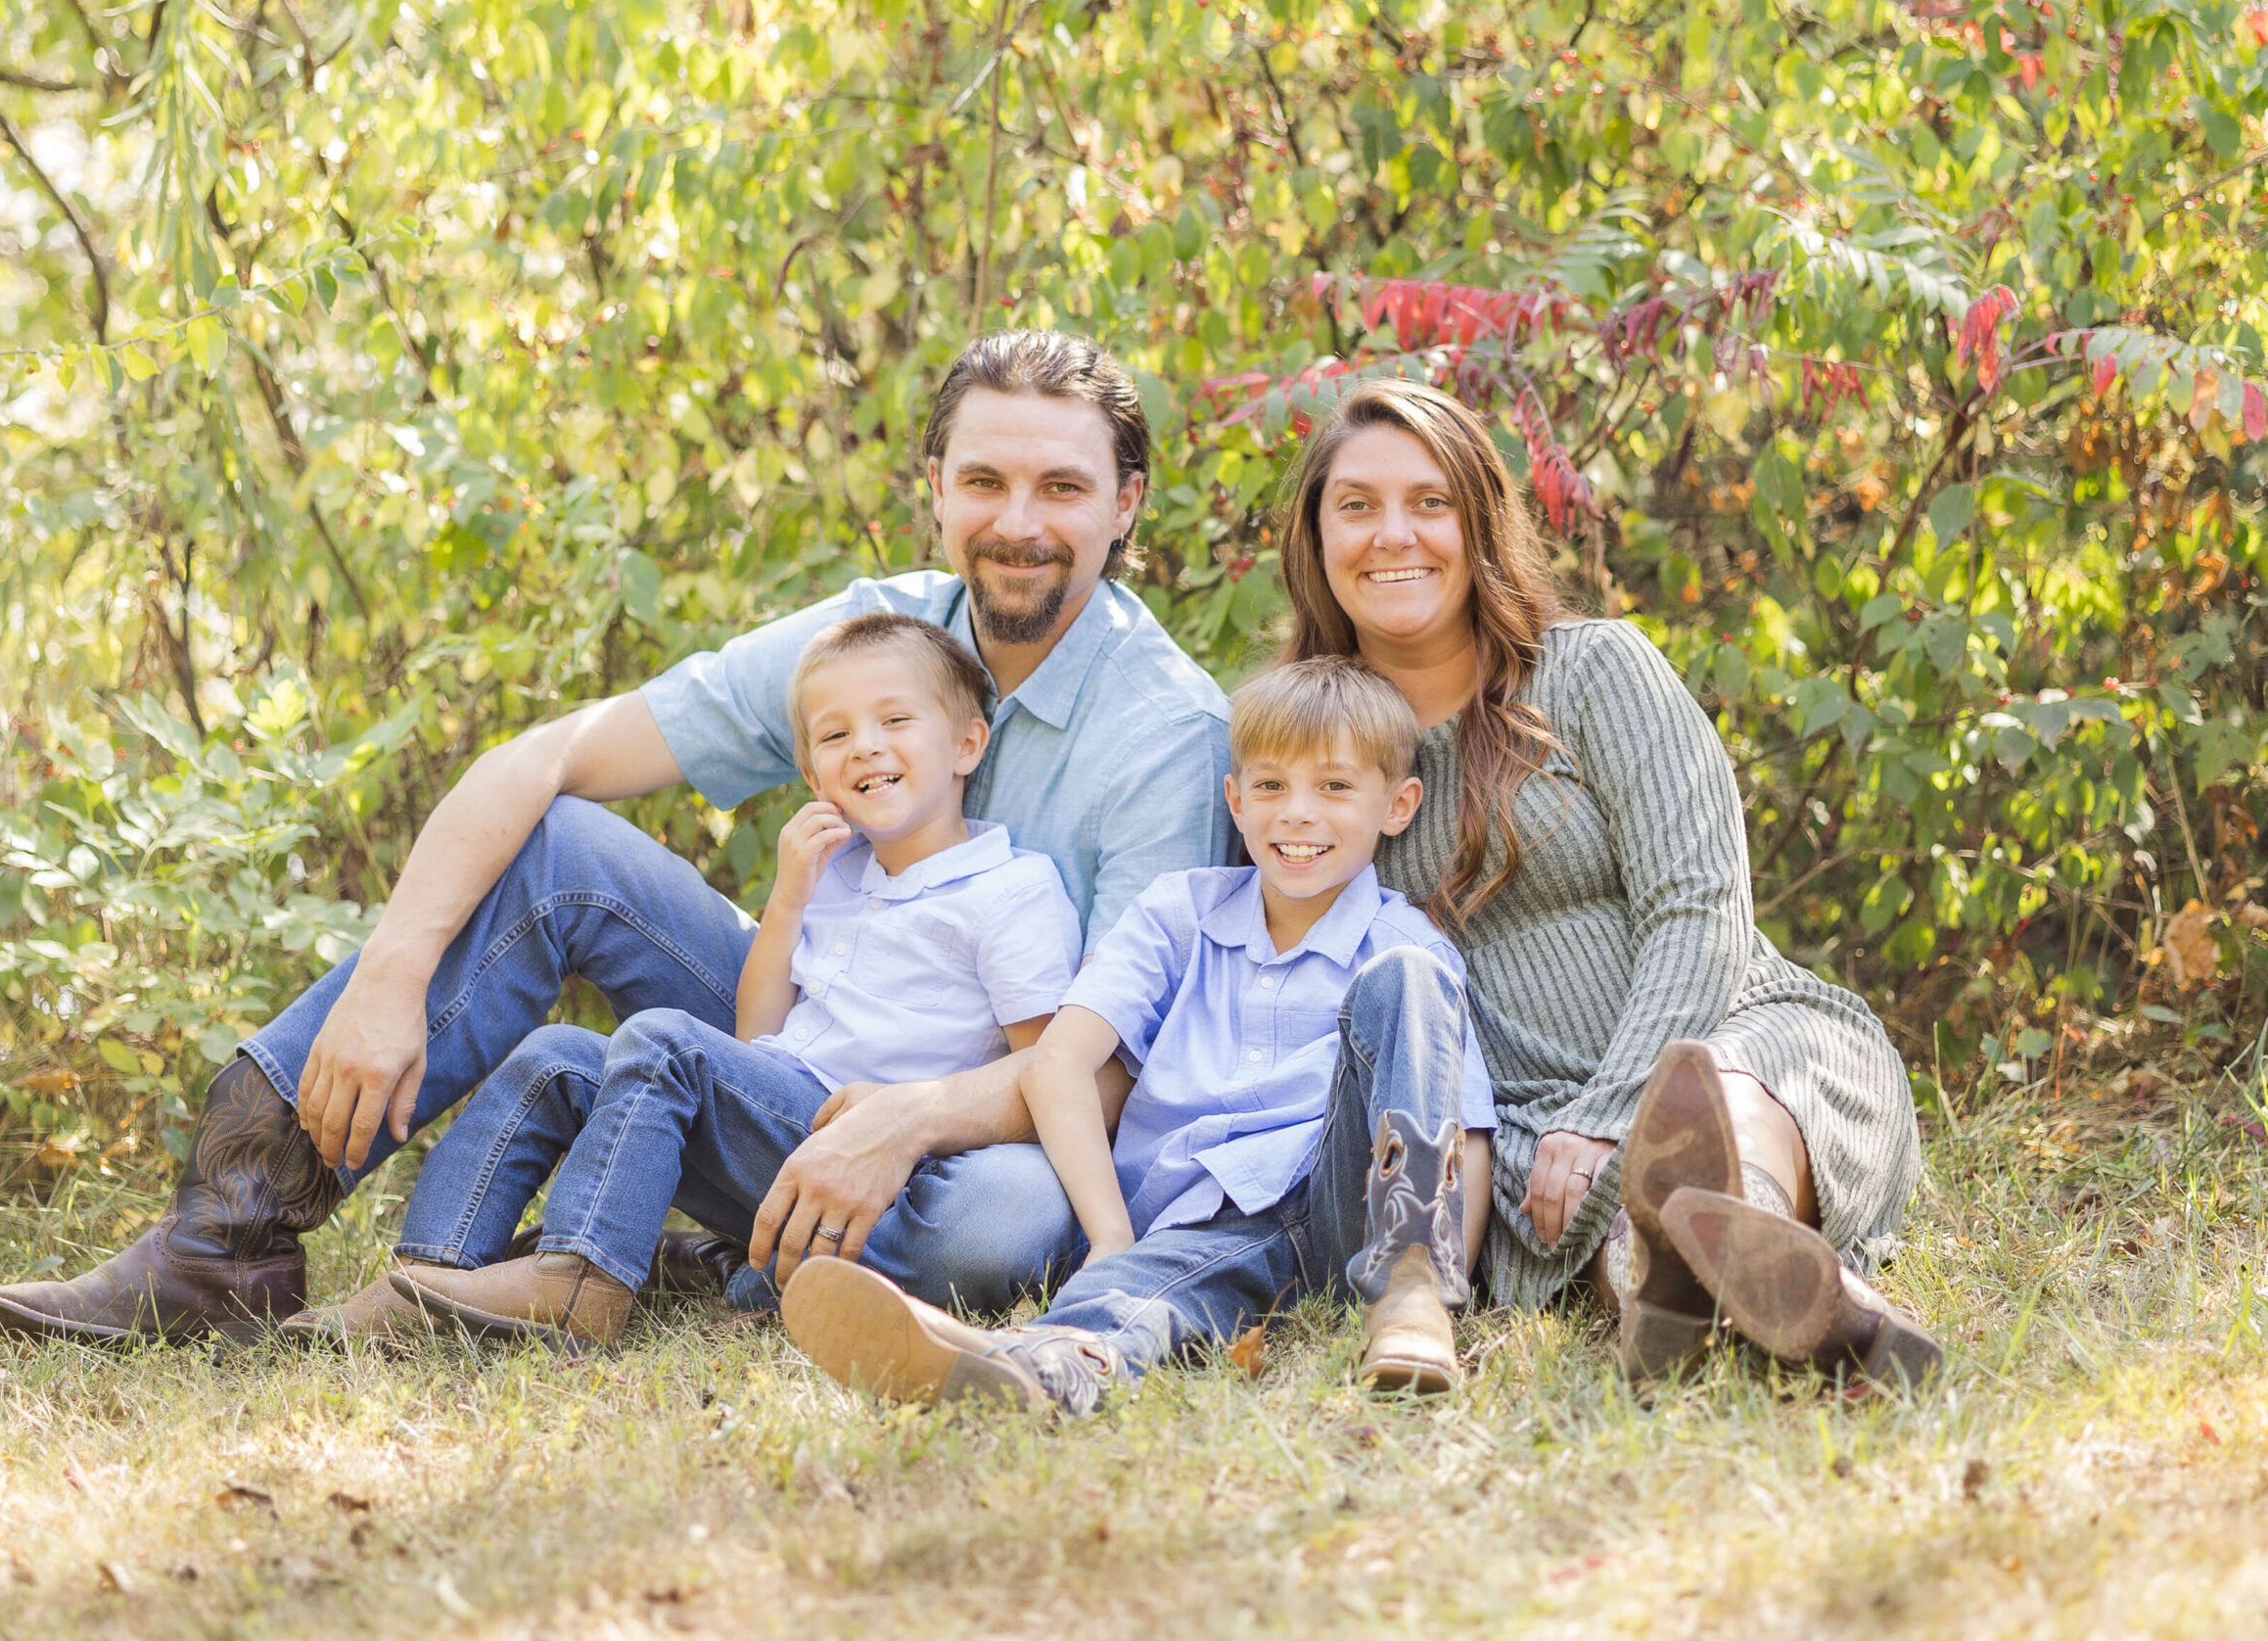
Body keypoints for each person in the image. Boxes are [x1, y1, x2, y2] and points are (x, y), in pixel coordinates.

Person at [0, 331, 1231, 1346]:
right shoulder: (877, 636)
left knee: (997, 1232)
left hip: (1009, 1112)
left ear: (1125, 507)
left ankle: (707, 1242)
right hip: (816, 1033)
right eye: (986, 481)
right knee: (561, 847)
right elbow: (547, 757)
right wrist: (397, 970)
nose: (1020, 520)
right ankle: (223, 1240)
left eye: (1063, 487)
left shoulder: (1164, 730)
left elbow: (1108, 1067)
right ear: (938, 491)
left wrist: (901, 1122)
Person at [1272, 376, 1937, 1384]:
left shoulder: (1594, 672)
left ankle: (1729, 1228)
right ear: (1315, 540)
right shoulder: (1301, 762)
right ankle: (1702, 1299)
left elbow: (1700, 904)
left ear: (1479, 522)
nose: (1392, 533)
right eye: (1355, 505)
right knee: (1578, 1220)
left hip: (1738, 1031)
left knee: (1713, 1101)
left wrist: (1615, 1108)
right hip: (1518, 1124)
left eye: (1429, 501)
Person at [779, 655, 1499, 1414]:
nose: (1297, 813)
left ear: (1399, 804)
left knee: (1407, 975)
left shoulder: (1402, 942)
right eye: (1270, 786)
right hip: (1193, 1223)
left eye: (1336, 787)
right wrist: (1110, 1231)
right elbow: (1057, 1062)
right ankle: (1029, 1363)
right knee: (1151, 1283)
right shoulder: (1178, 913)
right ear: (1235, 798)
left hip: (1332, 1209)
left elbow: (1464, 1131)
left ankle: (1412, 1287)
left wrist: (1436, 1299)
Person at [371, 614, 1081, 1350]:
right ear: (813, 777)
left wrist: (912, 1120)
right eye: (835, 736)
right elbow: (757, 1038)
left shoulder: (1008, 891)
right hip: (780, 1130)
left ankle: (583, 1281)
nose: (866, 744)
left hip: (890, 1167)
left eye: (895, 720)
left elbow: (1045, 1075)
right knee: (555, 1055)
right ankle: (423, 1277)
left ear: (968, 743)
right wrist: (788, 900)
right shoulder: (834, 871)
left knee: (665, 1043)